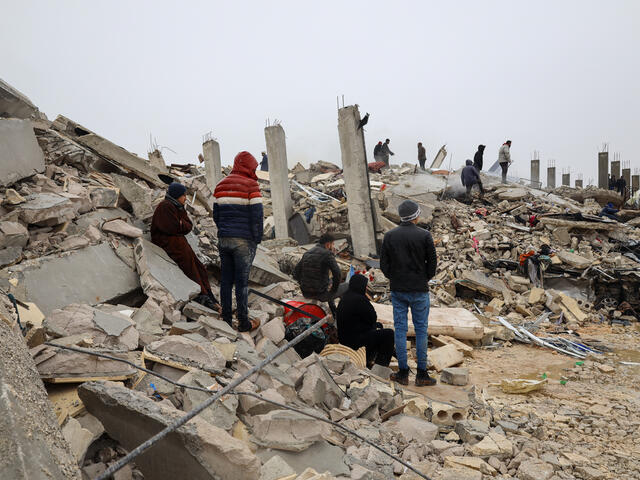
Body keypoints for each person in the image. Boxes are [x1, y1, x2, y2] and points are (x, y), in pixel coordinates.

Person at [380, 200, 438, 386]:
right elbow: (432, 263)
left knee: (401, 329)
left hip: (398, 290)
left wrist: (394, 278)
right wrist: (424, 279)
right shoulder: (425, 235)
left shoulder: (390, 236)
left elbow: (384, 265)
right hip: (419, 290)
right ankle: (422, 374)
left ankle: (403, 373)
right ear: (416, 215)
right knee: (421, 330)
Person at [213, 151, 263, 332]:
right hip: (243, 241)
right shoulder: (252, 185)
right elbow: (257, 216)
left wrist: (225, 231)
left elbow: (216, 215)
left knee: (226, 281)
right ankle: (243, 322)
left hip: (224, 239)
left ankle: (226, 319)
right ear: (248, 166)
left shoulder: (220, 185)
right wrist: (256, 238)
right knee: (242, 283)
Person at [151, 182, 220, 312]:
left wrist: (181, 224)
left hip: (179, 243)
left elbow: (187, 226)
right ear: (177, 195)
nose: (185, 198)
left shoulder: (178, 207)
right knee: (190, 269)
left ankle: (208, 294)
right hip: (169, 244)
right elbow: (173, 227)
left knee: (199, 267)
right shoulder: (165, 206)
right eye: (183, 195)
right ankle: (201, 296)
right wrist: (181, 225)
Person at [336, 274, 394, 368]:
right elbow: (372, 317)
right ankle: (381, 367)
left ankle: (368, 360)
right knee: (389, 334)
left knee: (377, 327)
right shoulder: (360, 300)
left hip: (345, 338)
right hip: (355, 341)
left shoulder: (344, 298)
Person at [293, 232, 347, 317]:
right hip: (320, 294)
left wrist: (305, 285)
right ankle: (343, 316)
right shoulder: (327, 254)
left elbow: (295, 273)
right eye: (333, 244)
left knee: (329, 282)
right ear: (328, 244)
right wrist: (333, 291)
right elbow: (338, 274)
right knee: (349, 285)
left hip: (306, 293)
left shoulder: (307, 253)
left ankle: (334, 312)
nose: (333, 247)